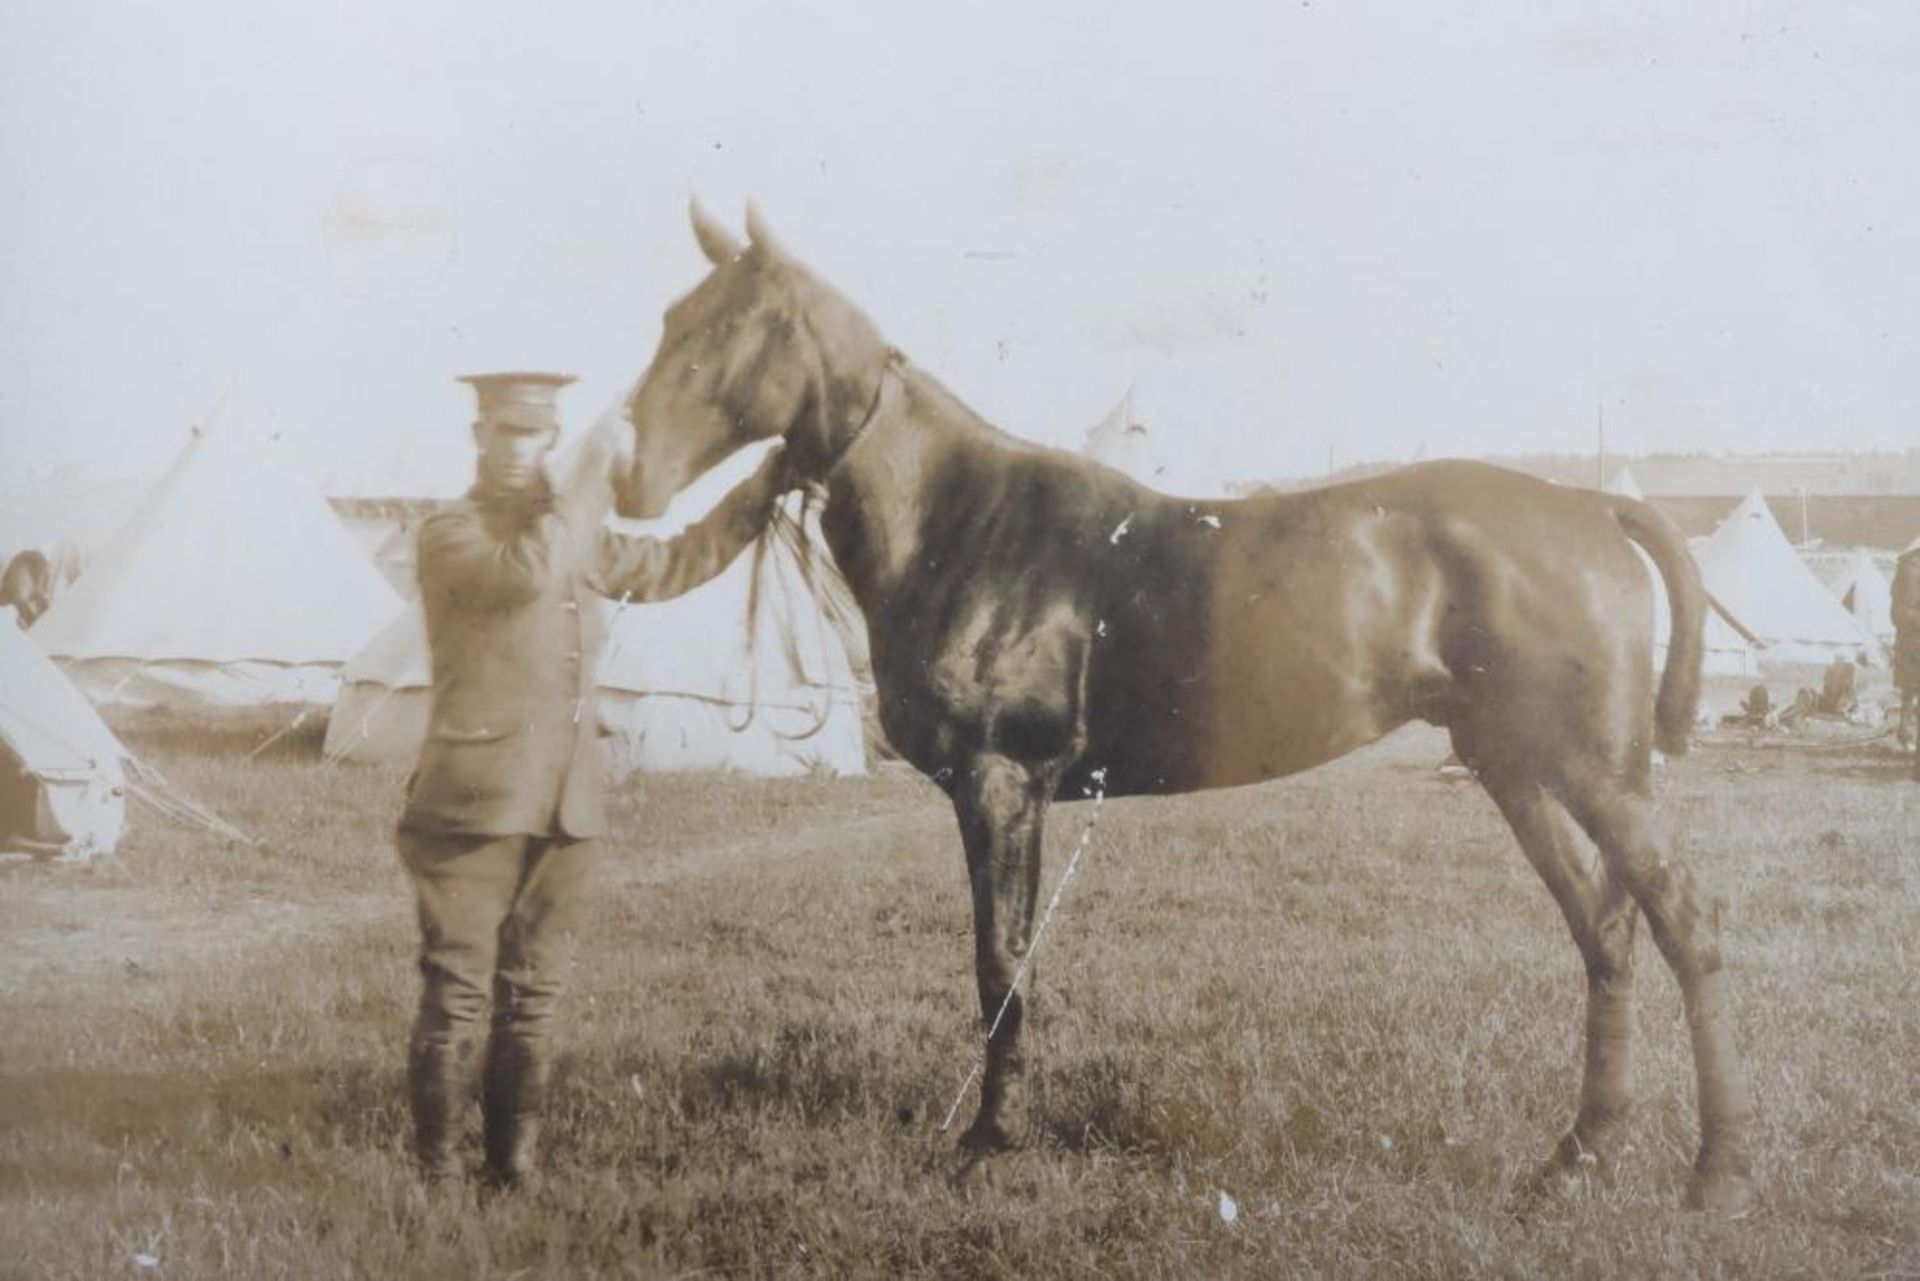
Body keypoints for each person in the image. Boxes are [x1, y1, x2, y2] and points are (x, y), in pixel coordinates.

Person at [399, 371, 788, 1187]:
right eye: (506, 430)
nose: (519, 448)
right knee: (458, 999)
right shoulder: (451, 531)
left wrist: (766, 485)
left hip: (567, 808)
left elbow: (680, 560)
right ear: (479, 435)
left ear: (551, 439)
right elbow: (527, 573)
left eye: (536, 435)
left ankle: (512, 1173)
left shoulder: (571, 531)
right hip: (473, 809)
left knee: (534, 995)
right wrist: (585, 473)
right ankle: (434, 1181)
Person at [1893, 538, 1920, 773]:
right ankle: (1908, 734)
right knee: (1913, 691)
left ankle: (1906, 731)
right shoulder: (1912, 568)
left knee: (1911, 694)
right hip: (1915, 643)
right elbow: (1902, 613)